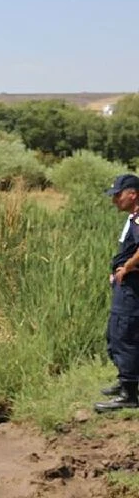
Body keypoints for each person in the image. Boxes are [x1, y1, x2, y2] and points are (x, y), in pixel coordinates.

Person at [96, 173, 139, 411]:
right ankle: (126, 381)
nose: (114, 200)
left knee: (124, 335)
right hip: (128, 286)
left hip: (132, 287)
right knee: (117, 335)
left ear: (132, 194)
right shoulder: (134, 217)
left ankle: (129, 394)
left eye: (117, 195)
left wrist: (127, 268)